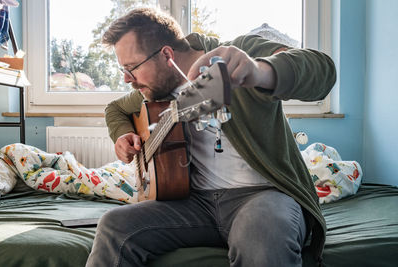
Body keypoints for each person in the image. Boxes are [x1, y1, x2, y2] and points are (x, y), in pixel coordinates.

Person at [86, 7, 336, 267]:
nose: (128, 80)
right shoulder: (157, 87)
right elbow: (115, 109)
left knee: (261, 236)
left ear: (167, 55)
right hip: (195, 205)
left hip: (263, 196)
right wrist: (123, 134)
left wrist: (259, 72)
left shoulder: (237, 55)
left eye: (131, 68)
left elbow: (323, 71)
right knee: (113, 225)